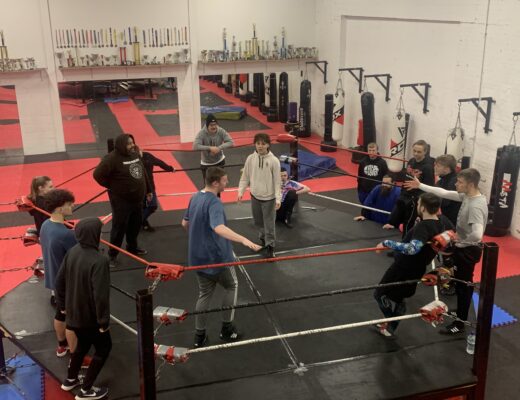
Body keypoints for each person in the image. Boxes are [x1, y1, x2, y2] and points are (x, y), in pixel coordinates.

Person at [182, 167, 261, 348]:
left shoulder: (194, 197)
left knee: (204, 293)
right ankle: (227, 329)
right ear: (215, 182)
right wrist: (244, 240)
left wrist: (199, 237)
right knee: (232, 286)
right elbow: (218, 228)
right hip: (217, 257)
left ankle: (199, 336)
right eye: (225, 180)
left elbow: (184, 223)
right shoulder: (214, 202)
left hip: (197, 257)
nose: (227, 183)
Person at [403, 168, 488, 334]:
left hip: (468, 250)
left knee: (464, 285)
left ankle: (460, 323)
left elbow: (477, 234)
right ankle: (460, 312)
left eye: (460, 182)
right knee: (459, 282)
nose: (456, 184)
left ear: (470, 184)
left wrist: (459, 241)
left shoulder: (476, 205)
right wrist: (421, 185)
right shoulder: (467, 196)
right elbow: (444, 192)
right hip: (464, 247)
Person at [373, 192, 454, 337]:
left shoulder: (424, 226)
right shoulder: (442, 222)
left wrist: (386, 243)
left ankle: (390, 323)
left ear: (423, 208)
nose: (417, 205)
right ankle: (390, 325)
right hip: (417, 268)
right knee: (398, 297)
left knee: (379, 294)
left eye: (418, 204)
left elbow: (412, 249)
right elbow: (451, 237)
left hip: (403, 267)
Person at [56, 217, 111, 400]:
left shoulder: (73, 251)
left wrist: (63, 306)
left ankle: (70, 379)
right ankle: (86, 390)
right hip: (90, 318)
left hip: (73, 315)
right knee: (104, 348)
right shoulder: (99, 260)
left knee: (82, 345)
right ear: (94, 234)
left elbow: (59, 281)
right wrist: (104, 321)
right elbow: (100, 294)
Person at [93, 133, 152, 265]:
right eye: (129, 143)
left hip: (137, 199)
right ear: (121, 145)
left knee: (135, 225)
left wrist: (148, 190)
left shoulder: (134, 154)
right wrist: (112, 186)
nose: (132, 146)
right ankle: (112, 255)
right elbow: (97, 175)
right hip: (121, 201)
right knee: (119, 228)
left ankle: (132, 247)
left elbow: (142, 172)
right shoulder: (111, 158)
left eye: (132, 142)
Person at [39, 188, 77, 357]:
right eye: (69, 204)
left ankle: (62, 345)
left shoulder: (46, 225)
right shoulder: (65, 235)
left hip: (53, 278)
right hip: (67, 283)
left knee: (60, 312)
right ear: (60, 208)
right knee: (73, 320)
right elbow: (78, 258)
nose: (72, 206)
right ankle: (77, 356)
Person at [238, 133, 281, 258]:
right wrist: (240, 191)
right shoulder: (250, 158)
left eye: (263, 143)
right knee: (258, 222)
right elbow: (245, 177)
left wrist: (278, 198)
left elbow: (277, 181)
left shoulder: (274, 161)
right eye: (258, 143)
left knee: (269, 224)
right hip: (255, 196)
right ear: (254, 144)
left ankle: (270, 246)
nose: (260, 146)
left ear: (268, 145)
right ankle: (263, 240)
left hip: (269, 198)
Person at [383, 140, 435, 238]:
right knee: (396, 220)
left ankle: (405, 249)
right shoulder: (411, 161)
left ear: (425, 152)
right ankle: (402, 245)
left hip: (415, 199)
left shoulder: (427, 167)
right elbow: (406, 178)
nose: (416, 153)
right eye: (414, 151)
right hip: (405, 196)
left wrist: (419, 200)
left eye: (419, 152)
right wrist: (402, 192)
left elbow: (429, 186)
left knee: (409, 224)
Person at [132, 138, 175, 232]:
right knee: (144, 207)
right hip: (138, 188)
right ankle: (142, 224)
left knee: (152, 206)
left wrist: (170, 168)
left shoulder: (147, 156)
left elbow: (159, 162)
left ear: (140, 151)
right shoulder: (132, 160)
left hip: (149, 186)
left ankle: (137, 223)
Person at [193, 114, 234, 186]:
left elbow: (231, 142)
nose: (214, 127)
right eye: (211, 125)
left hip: (219, 162)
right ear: (207, 125)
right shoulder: (201, 133)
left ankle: (217, 198)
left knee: (219, 185)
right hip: (206, 164)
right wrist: (210, 148)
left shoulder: (221, 131)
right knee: (208, 186)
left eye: (215, 124)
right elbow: (195, 146)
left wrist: (219, 148)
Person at [434, 154, 460, 227]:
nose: (435, 167)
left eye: (438, 166)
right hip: (446, 217)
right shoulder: (441, 181)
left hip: (452, 221)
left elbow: (445, 202)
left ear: (446, 169)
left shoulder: (454, 182)